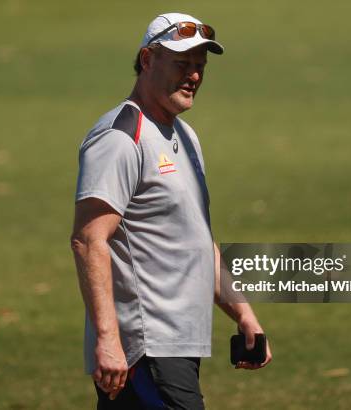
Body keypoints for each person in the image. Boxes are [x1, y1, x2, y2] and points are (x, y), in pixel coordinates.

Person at [71, 12, 272, 409]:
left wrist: (243, 314)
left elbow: (197, 239)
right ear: (147, 60)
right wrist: (109, 340)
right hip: (146, 347)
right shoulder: (121, 137)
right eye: (182, 64)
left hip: (179, 343)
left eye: (200, 66)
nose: (194, 75)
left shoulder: (185, 135)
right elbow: (88, 239)